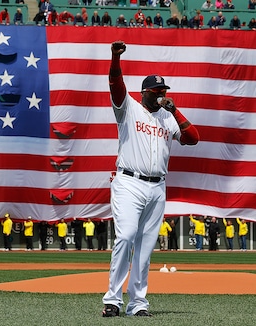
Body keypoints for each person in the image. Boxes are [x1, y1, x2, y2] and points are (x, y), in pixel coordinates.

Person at [102, 41, 199, 318]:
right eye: (157, 92)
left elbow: (193, 139)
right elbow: (115, 84)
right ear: (144, 92)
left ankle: (138, 303)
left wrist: (174, 110)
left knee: (145, 246)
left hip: (157, 186)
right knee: (126, 236)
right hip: (129, 182)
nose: (161, 95)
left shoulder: (168, 118)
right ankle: (112, 299)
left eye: (164, 91)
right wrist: (115, 57)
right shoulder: (129, 108)